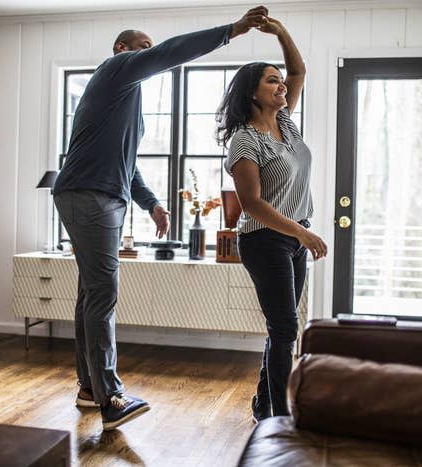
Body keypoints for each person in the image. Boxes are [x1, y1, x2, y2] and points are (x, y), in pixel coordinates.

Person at [52, 6, 270, 432]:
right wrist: (232, 30)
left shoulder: (125, 100)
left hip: (100, 196)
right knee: (102, 294)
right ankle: (110, 396)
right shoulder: (115, 71)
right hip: (90, 197)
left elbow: (125, 164)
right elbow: (171, 51)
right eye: (143, 48)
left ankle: (88, 388)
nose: (150, 54)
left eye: (149, 49)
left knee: (90, 295)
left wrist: (151, 203)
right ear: (122, 50)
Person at [216, 17, 327, 421]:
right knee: (284, 329)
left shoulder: (284, 122)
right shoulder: (245, 139)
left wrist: (280, 33)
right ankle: (280, 417)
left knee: (281, 329)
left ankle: (265, 407)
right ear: (253, 94)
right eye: (271, 82)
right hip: (265, 241)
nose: (282, 86)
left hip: (294, 238)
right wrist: (301, 232)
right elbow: (252, 204)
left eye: (281, 82)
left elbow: (299, 71)